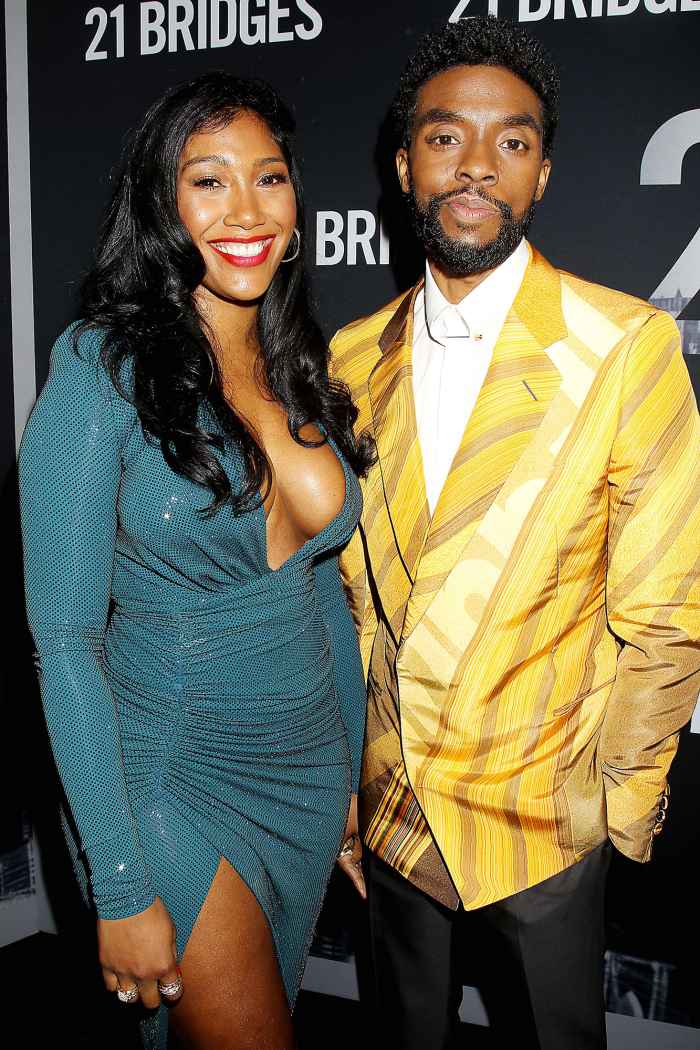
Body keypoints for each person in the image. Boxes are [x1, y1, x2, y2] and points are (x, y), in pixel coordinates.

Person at [331, 16, 700, 1050]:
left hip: (547, 823)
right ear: (405, 163)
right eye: (447, 137)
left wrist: (614, 807)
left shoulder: (621, 344)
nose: (477, 166)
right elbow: (354, 603)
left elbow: (667, 611)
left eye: (514, 141)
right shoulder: (353, 357)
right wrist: (350, 794)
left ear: (541, 176)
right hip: (394, 812)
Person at [19, 72, 370, 1050]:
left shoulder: (298, 364)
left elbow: (324, 602)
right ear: (162, 205)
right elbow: (65, 641)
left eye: (268, 178)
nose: (246, 209)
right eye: (209, 182)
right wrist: (122, 885)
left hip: (306, 784)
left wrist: (348, 783)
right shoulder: (100, 369)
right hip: (175, 782)